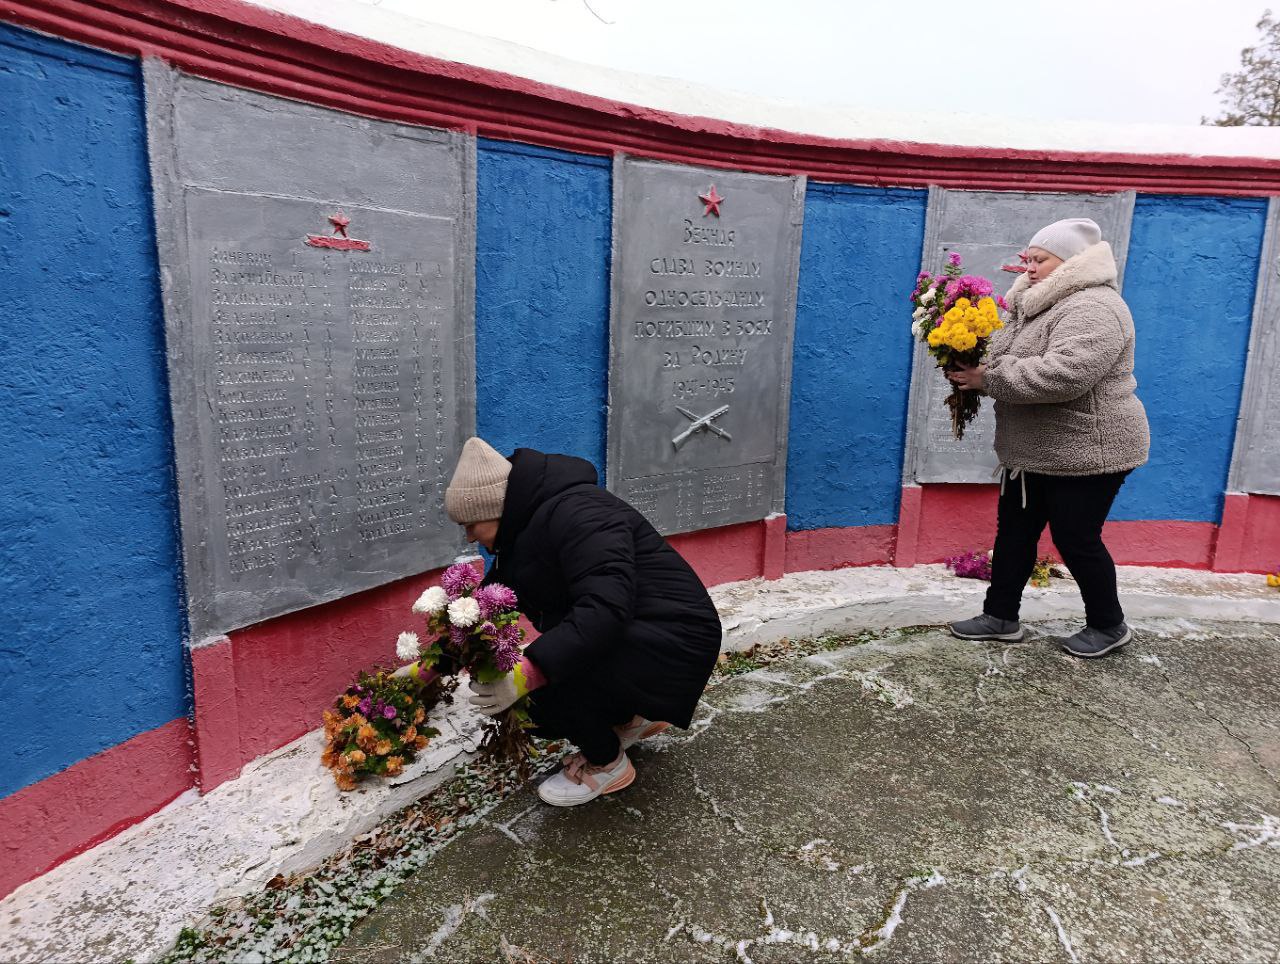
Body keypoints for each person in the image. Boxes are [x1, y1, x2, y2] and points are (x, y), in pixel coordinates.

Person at [443, 437, 723, 805]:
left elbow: (604, 609)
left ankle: (606, 763)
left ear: (494, 508)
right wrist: (429, 670)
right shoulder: (523, 529)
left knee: (536, 701)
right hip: (645, 635)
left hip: (675, 643)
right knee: (546, 662)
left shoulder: (582, 514)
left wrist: (529, 675)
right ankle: (631, 718)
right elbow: (487, 605)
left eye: (470, 524)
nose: (468, 536)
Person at [945, 217, 1150, 658]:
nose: (1029, 267)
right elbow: (1007, 355)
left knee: (1076, 537)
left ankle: (1109, 625)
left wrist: (988, 380)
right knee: (1015, 531)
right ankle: (1000, 616)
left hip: (1089, 448)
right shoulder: (1033, 304)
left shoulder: (1093, 306)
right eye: (1028, 259)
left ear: (1071, 262)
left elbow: (1066, 375)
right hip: (1034, 448)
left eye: (1040, 260)